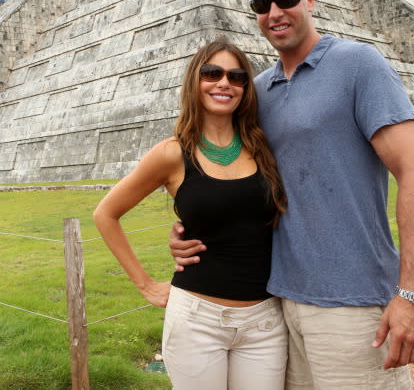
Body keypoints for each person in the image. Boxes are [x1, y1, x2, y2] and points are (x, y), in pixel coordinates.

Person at [170, 0, 414, 389]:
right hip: (277, 300)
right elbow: (227, 174)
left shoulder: (357, 65)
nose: (274, 12)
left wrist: (412, 295)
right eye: (261, 5)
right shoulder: (256, 92)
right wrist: (189, 229)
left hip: (351, 300)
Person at [94, 39, 288, 390]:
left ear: (246, 87)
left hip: (264, 321)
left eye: (236, 76)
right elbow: (106, 214)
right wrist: (146, 284)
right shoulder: (171, 154)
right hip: (198, 320)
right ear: (194, 81)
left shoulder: (263, 147)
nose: (224, 83)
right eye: (211, 73)